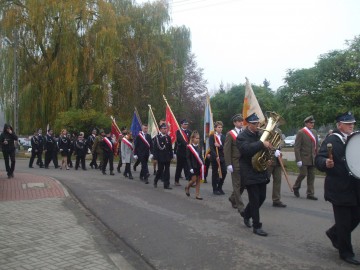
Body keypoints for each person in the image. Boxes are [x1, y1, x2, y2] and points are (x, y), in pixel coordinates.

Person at [315, 111, 360, 265]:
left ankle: (334, 233)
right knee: (344, 222)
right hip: (339, 188)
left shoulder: (354, 139)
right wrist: (325, 163)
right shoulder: (332, 140)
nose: (351, 126)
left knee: (356, 217)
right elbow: (319, 159)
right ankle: (345, 252)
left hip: (354, 188)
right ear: (339, 125)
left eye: (352, 123)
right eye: (348, 124)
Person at [236, 113, 272, 237]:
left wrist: (268, 156)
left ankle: (246, 214)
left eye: (258, 123)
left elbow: (263, 151)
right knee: (255, 200)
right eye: (255, 124)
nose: (258, 126)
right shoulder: (241, 136)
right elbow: (247, 150)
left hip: (260, 170)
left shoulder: (260, 135)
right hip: (249, 171)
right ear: (249, 124)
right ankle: (257, 226)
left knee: (262, 197)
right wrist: (262, 144)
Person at [293, 115, 319, 200]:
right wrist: (298, 159)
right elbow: (297, 147)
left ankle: (310, 193)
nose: (312, 124)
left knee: (311, 176)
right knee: (303, 174)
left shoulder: (314, 132)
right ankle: (296, 186)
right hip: (303, 158)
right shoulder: (301, 132)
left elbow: (316, 146)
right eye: (311, 123)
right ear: (306, 123)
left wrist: (317, 156)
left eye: (313, 123)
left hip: (312, 158)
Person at [224, 114, 245, 213]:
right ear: (234, 123)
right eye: (239, 121)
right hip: (235, 162)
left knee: (243, 184)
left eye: (242, 121)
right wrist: (229, 164)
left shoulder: (244, 132)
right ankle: (240, 206)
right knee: (236, 185)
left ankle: (233, 198)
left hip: (244, 163)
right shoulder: (230, 134)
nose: (241, 122)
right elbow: (227, 150)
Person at [153, 123, 174, 189]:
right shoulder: (157, 138)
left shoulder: (168, 137)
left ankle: (166, 184)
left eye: (166, 128)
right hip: (160, 157)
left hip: (167, 157)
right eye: (164, 129)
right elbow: (155, 149)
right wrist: (155, 158)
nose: (165, 130)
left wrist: (171, 156)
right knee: (160, 170)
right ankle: (156, 180)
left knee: (167, 171)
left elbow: (170, 147)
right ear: (160, 129)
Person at [185, 131, 204, 200]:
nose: (198, 139)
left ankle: (197, 194)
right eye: (196, 138)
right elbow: (188, 158)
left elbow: (201, 156)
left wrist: (203, 163)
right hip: (192, 166)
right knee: (193, 180)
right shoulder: (189, 147)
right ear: (192, 138)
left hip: (199, 165)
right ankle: (187, 187)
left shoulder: (199, 146)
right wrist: (190, 167)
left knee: (198, 180)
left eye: (198, 138)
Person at [209, 121, 227, 195]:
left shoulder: (223, 137)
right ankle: (215, 189)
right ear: (215, 128)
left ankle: (220, 187)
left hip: (222, 157)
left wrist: (219, 146)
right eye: (218, 127)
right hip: (215, 157)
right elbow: (211, 148)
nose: (220, 129)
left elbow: (225, 147)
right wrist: (216, 156)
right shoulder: (212, 136)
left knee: (224, 172)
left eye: (221, 127)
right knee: (215, 173)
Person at [174, 119, 192, 186]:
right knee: (179, 167)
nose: (186, 125)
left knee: (188, 166)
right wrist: (187, 145)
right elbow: (180, 140)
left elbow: (191, 139)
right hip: (181, 152)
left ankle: (190, 181)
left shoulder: (189, 132)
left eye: (187, 124)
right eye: (184, 124)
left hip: (187, 152)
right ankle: (176, 181)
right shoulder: (178, 132)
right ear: (181, 124)